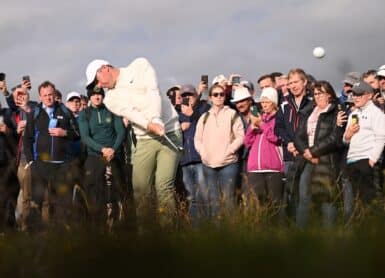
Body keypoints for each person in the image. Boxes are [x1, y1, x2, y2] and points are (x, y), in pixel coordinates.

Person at [85, 58, 182, 228]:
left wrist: (156, 117)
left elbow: (153, 92)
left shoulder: (140, 65)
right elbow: (131, 113)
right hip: (145, 139)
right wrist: (150, 124)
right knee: (140, 190)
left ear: (105, 68)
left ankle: (169, 235)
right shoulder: (110, 100)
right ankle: (145, 235)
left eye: (97, 80)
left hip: (170, 132)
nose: (98, 86)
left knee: (163, 187)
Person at [23, 81, 80, 231]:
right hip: (40, 165)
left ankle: (58, 235)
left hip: (62, 165)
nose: (48, 98)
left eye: (51, 95)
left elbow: (77, 134)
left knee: (61, 202)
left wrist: (65, 133)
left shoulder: (65, 112)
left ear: (55, 95)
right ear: (40, 97)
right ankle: (33, 236)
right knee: (37, 201)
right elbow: (27, 139)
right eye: (45, 95)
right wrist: (30, 161)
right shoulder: (34, 114)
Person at [294, 81, 344, 227]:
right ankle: (300, 236)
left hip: (326, 161)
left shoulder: (336, 112)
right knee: (304, 197)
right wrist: (306, 152)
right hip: (308, 159)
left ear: (329, 94)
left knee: (326, 199)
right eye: (315, 94)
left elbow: (335, 139)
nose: (317, 96)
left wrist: (314, 151)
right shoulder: (309, 112)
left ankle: (329, 238)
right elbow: (298, 136)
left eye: (320, 93)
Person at [194, 84, 244, 218]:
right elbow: (197, 139)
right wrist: (203, 153)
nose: (219, 97)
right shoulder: (204, 117)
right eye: (215, 94)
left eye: (222, 94)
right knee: (213, 201)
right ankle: (217, 233)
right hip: (208, 165)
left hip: (229, 164)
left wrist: (230, 150)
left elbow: (240, 136)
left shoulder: (232, 114)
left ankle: (231, 233)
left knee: (229, 201)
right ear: (210, 97)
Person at [78, 87, 126, 227]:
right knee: (95, 194)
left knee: (115, 192)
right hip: (94, 157)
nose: (97, 97)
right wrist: (102, 149)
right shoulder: (84, 114)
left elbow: (120, 132)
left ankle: (116, 226)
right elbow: (85, 137)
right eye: (93, 95)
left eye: (99, 94)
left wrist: (113, 150)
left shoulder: (112, 110)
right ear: (90, 97)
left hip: (113, 156)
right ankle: (97, 228)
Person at [343, 81, 385, 204]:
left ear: (370, 95)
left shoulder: (377, 113)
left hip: (366, 161)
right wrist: (348, 134)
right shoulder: (353, 114)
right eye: (354, 94)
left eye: (359, 94)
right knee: (358, 204)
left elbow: (381, 137)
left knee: (371, 203)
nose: (355, 97)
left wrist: (372, 160)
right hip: (352, 161)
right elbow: (345, 140)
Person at [244, 88, 284, 210]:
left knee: (274, 204)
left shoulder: (279, 118)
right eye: (262, 102)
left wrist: (262, 125)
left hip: (273, 167)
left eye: (267, 101)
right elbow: (247, 142)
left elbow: (276, 138)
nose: (264, 105)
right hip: (255, 168)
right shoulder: (258, 118)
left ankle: (276, 228)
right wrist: (252, 127)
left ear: (274, 102)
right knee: (257, 205)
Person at [178, 84, 210, 222]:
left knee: (204, 195)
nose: (187, 98)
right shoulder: (177, 115)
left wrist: (193, 115)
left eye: (189, 95)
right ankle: (195, 228)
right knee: (191, 197)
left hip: (200, 159)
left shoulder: (204, 109)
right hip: (185, 161)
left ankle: (209, 226)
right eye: (183, 96)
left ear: (196, 96)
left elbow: (209, 126)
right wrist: (179, 129)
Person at [0, 100, 19, 231]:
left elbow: (18, 136)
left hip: (8, 163)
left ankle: (11, 227)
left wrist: (8, 131)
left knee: (11, 196)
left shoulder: (8, 114)